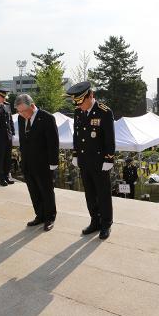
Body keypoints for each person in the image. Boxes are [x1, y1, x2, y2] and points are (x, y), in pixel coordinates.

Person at [68, 81, 115, 240]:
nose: (80, 106)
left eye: (82, 102)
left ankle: (106, 224)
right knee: (89, 194)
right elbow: (77, 135)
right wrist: (75, 154)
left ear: (91, 96)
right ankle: (95, 221)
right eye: (77, 103)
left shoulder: (104, 112)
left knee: (103, 194)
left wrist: (109, 158)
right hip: (84, 160)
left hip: (100, 161)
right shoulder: (78, 112)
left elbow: (109, 138)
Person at [16, 94, 59, 231]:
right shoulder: (20, 118)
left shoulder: (47, 118)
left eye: (24, 111)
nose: (21, 114)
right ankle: (39, 216)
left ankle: (49, 218)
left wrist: (53, 163)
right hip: (28, 163)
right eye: (19, 111)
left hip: (44, 164)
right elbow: (23, 141)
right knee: (33, 191)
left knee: (46, 191)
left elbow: (53, 143)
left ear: (32, 106)